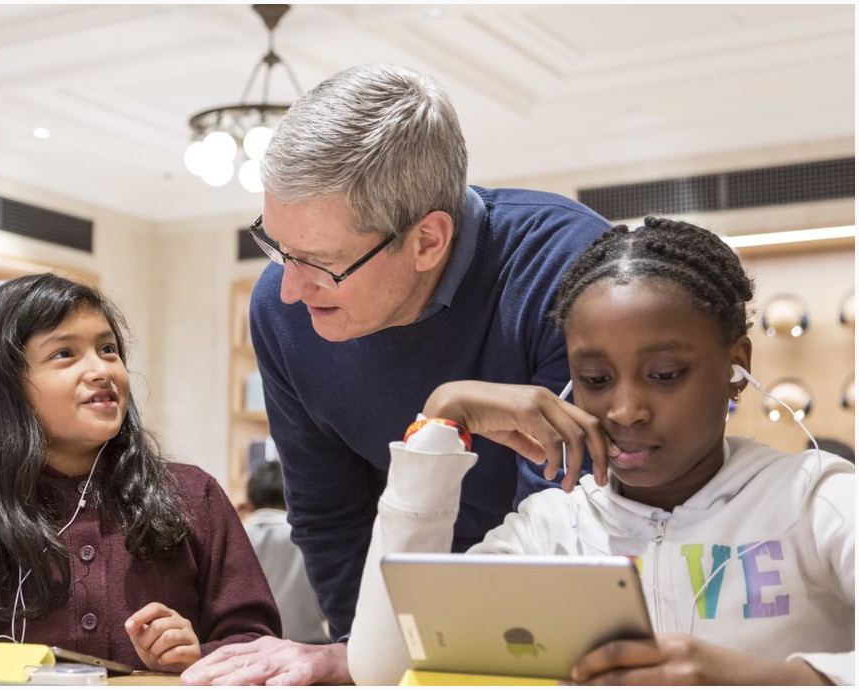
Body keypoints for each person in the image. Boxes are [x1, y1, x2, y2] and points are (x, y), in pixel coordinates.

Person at [181, 62, 609, 685]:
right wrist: (359, 652)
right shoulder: (280, 306)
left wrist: (395, 655)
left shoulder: (566, 267)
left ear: (428, 241)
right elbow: (329, 516)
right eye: (276, 247)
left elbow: (559, 526)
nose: (291, 289)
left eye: (321, 263)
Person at [347, 218, 854, 685]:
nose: (626, 409)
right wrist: (440, 421)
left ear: (735, 366)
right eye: (595, 379)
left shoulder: (814, 499)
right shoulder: (550, 531)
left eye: (665, 375)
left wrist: (761, 680)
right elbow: (385, 672)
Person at [0, 273, 281, 673]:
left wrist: (195, 654)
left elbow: (257, 641)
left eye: (108, 349)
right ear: (4, 387)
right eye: (65, 353)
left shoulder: (191, 493)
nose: (102, 370)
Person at [243, 461, 328, 644]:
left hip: (251, 647)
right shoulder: (311, 537)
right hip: (309, 647)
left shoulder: (237, 534)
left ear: (250, 500)